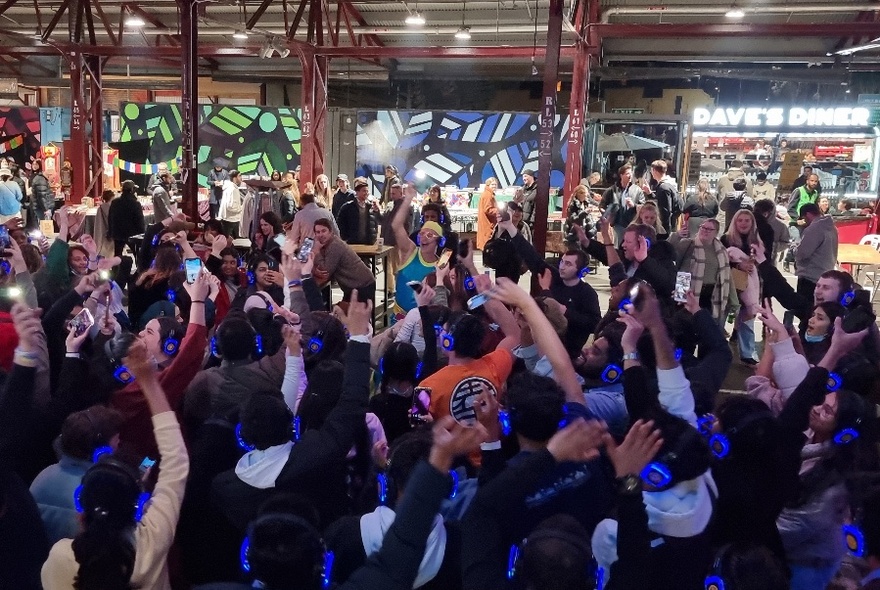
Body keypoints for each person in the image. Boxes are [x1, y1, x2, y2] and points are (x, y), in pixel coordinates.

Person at [40, 338, 189, 590]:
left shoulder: (59, 557)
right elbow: (176, 459)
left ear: (80, 513)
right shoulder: (153, 538)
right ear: (138, 507)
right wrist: (149, 382)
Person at [389, 187, 440, 321]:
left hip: (423, 321)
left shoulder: (441, 266)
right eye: (422, 234)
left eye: (430, 235)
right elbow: (396, 225)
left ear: (439, 241)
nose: (424, 238)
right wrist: (408, 199)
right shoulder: (410, 251)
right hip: (399, 318)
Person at [669, 218, 730, 329]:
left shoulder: (721, 251)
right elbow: (670, 252)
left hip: (710, 295)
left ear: (716, 232)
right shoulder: (687, 244)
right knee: (686, 331)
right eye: (703, 227)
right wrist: (677, 235)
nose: (705, 231)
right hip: (689, 293)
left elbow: (726, 275)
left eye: (709, 229)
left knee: (706, 331)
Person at [722, 209, 763, 365]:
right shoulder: (726, 239)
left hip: (749, 285)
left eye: (747, 220)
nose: (744, 223)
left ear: (752, 223)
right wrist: (739, 264)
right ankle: (717, 350)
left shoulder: (756, 241)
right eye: (740, 220)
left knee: (748, 318)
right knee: (722, 317)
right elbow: (721, 260)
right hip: (729, 283)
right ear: (734, 222)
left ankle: (747, 353)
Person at [312, 218, 377, 305]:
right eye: (318, 232)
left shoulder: (334, 245)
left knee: (346, 315)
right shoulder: (325, 245)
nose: (320, 235)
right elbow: (321, 267)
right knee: (340, 313)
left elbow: (326, 271)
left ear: (331, 232)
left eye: (324, 231)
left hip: (362, 285)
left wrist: (316, 252)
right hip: (353, 287)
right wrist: (315, 269)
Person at [793, 202, 838, 323]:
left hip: (810, 276)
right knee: (818, 313)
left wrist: (795, 248)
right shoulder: (831, 226)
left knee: (805, 312)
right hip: (824, 274)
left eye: (803, 218)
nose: (804, 222)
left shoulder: (814, 228)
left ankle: (804, 337)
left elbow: (803, 253)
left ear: (807, 215)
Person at [600, 163, 645, 245]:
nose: (630, 176)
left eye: (631, 173)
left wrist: (634, 205)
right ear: (621, 175)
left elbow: (643, 207)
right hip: (618, 224)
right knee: (620, 245)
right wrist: (607, 216)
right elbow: (602, 205)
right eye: (627, 174)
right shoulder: (612, 190)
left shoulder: (637, 190)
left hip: (633, 224)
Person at [640, 159, 679, 238]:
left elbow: (665, 210)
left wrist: (664, 229)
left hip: (664, 228)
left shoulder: (664, 188)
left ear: (654, 170)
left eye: (651, 171)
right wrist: (650, 193)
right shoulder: (669, 185)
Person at [108, 180, 146, 257]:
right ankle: (140, 269)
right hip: (133, 234)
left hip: (118, 233)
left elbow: (110, 218)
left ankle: (116, 269)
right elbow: (139, 220)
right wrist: (142, 233)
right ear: (132, 190)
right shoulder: (135, 203)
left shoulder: (115, 202)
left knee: (117, 255)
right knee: (138, 255)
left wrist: (111, 232)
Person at [337, 179, 381, 246]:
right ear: (357, 192)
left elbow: (376, 222)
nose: (366, 193)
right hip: (352, 242)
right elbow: (340, 224)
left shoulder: (371, 207)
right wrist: (345, 238)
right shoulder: (347, 207)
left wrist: (377, 210)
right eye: (364, 191)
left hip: (368, 243)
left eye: (367, 191)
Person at [218, 170, 245, 238]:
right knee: (233, 242)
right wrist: (241, 208)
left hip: (229, 219)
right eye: (239, 176)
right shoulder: (232, 189)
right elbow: (230, 206)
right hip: (232, 220)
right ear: (234, 178)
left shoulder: (229, 187)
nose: (241, 178)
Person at [476, 177, 499, 250]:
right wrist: (499, 211)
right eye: (492, 184)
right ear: (488, 185)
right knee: (488, 244)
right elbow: (488, 209)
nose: (494, 186)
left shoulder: (487, 194)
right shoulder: (488, 195)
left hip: (486, 223)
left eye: (495, 185)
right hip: (487, 223)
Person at [28, 164, 53, 230]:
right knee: (44, 226)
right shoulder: (41, 181)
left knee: (42, 225)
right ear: (49, 175)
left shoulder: (40, 179)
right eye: (52, 177)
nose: (52, 180)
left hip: (40, 207)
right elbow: (42, 196)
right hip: (41, 208)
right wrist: (46, 209)